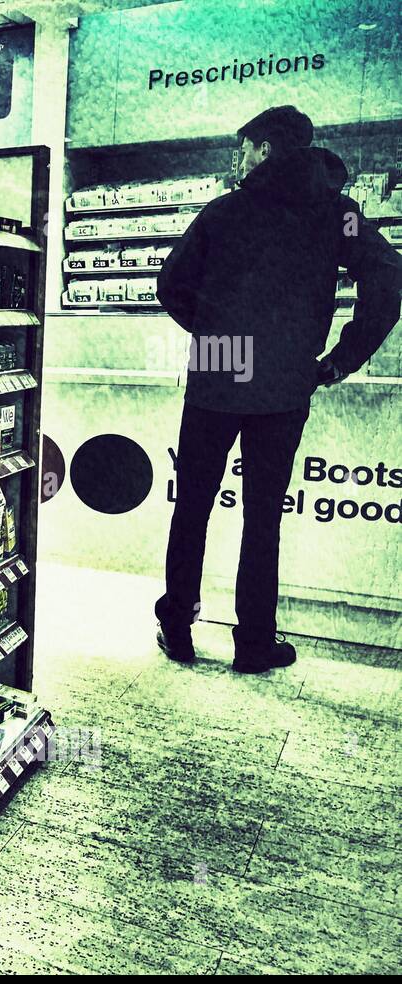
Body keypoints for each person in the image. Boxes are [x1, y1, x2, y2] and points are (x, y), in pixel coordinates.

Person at [155, 106, 402, 673]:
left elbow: (170, 284)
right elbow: (387, 276)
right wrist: (341, 359)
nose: (239, 158)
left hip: (220, 368)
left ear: (265, 149)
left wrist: (217, 332)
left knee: (192, 504)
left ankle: (178, 625)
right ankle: (255, 642)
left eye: (244, 148)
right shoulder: (338, 215)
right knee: (264, 515)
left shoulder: (224, 211)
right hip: (287, 378)